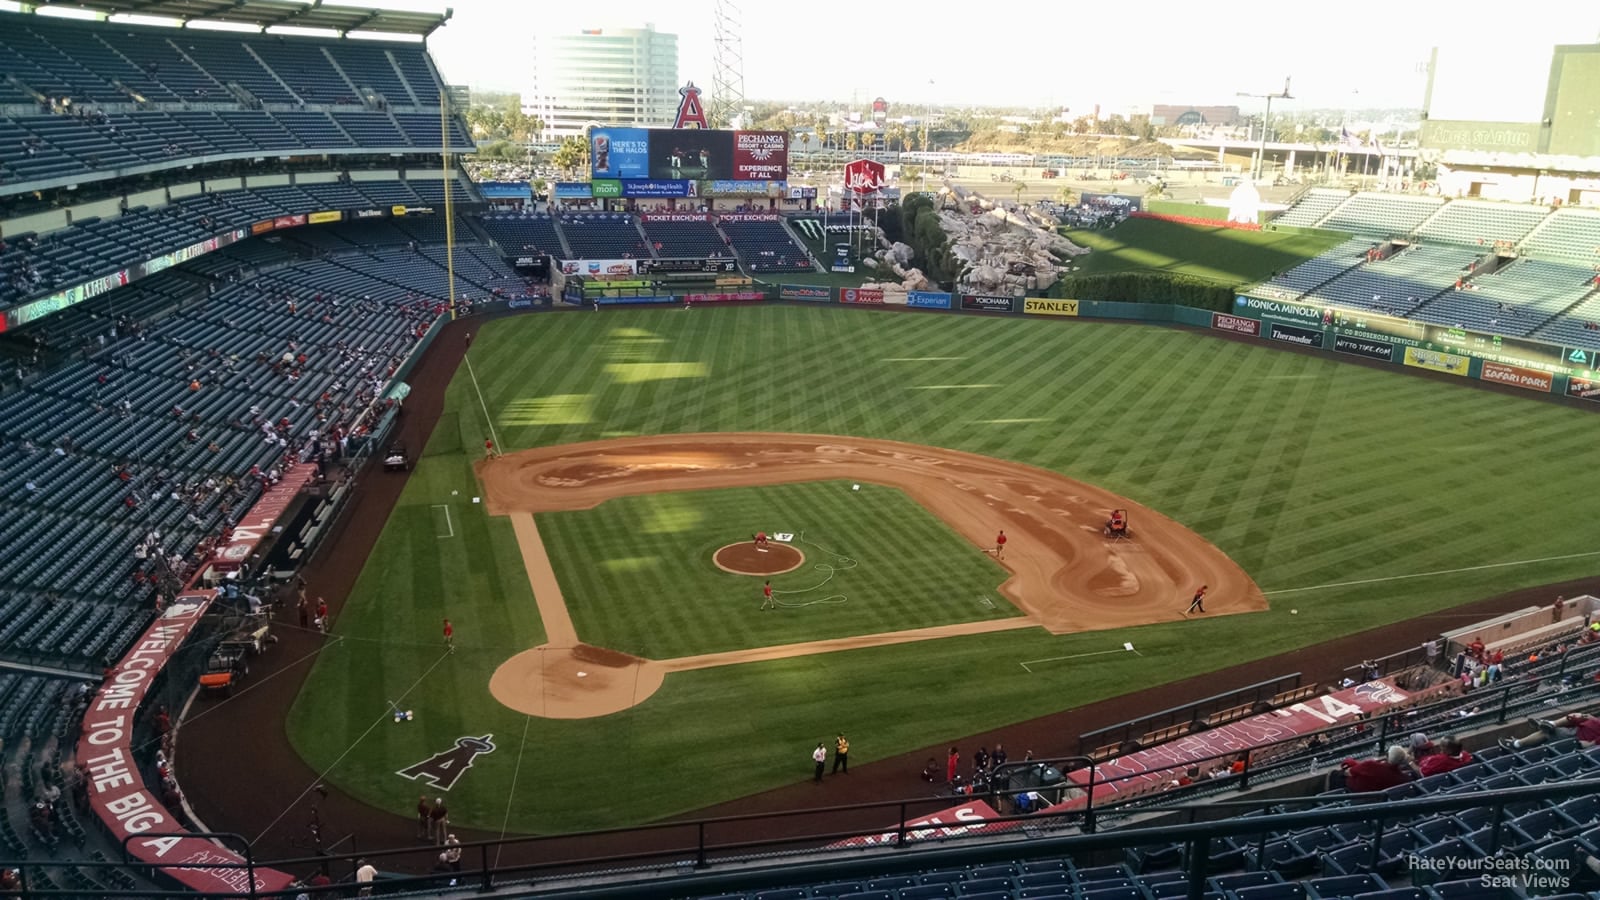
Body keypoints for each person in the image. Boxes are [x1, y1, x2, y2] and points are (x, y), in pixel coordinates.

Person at [1502, 712, 1600, 750]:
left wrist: (1592, 743)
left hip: (1579, 736)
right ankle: (1551, 724)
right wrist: (1591, 718)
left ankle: (1516, 744)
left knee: (1547, 733)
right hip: (1583, 727)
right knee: (1579, 716)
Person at [1339, 745, 1415, 792]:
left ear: (1387, 755)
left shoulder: (1370, 765)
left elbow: (1349, 771)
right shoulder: (1404, 779)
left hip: (1359, 793)